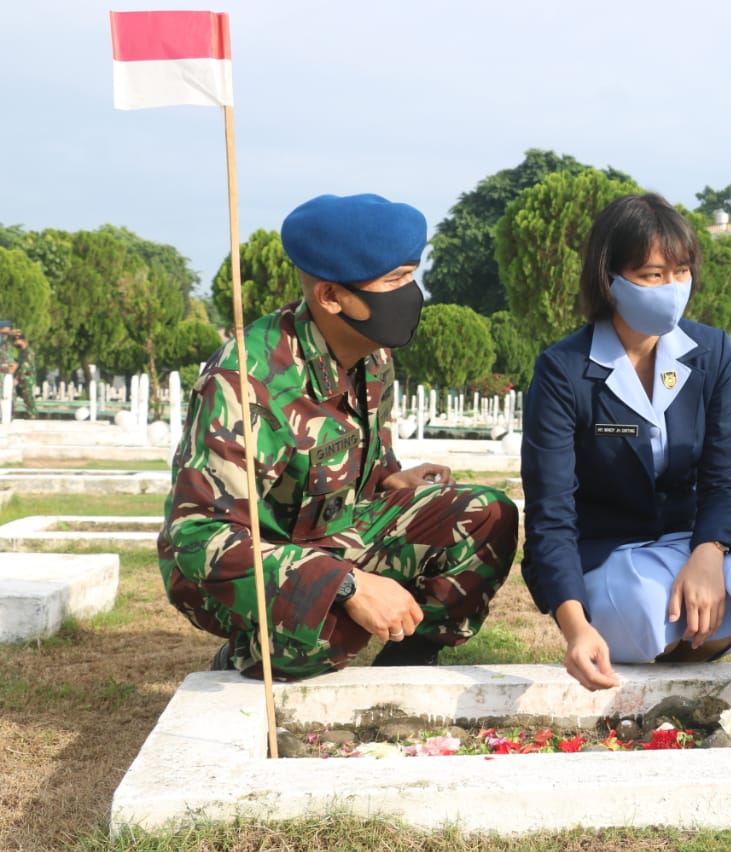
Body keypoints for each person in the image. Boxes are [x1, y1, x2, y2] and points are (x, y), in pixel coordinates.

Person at [158, 193, 519, 680]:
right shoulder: (247, 381)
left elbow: (352, 465)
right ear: (331, 296)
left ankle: (407, 666)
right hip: (239, 570)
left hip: (330, 534)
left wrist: (391, 480)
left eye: (412, 275)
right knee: (328, 617)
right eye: (394, 280)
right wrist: (349, 585)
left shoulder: (374, 355)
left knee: (485, 514)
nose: (411, 294)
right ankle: (251, 654)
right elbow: (198, 537)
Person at [520, 193, 731, 693]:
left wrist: (708, 552)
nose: (672, 288)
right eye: (653, 275)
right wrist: (575, 626)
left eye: (681, 271)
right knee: (645, 607)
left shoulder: (710, 352)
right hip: (606, 549)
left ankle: (671, 645)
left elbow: (725, 474)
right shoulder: (564, 370)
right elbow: (552, 511)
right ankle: (646, 641)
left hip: (681, 542)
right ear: (609, 278)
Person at [10, 332, 37, 417]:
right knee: (23, 398)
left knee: (28, 398)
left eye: (17, 340)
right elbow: (19, 365)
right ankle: (28, 414)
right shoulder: (22, 352)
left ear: (23, 341)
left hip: (27, 378)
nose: (15, 343)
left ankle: (32, 414)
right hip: (22, 378)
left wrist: (17, 378)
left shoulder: (28, 351)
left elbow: (25, 366)